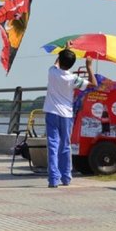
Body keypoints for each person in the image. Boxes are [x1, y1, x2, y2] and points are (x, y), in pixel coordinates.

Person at [43, 45, 96, 188]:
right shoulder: (73, 78)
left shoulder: (52, 72)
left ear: (59, 60)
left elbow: (56, 63)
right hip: (66, 115)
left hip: (52, 112)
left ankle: (53, 179)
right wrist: (89, 66)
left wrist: (65, 50)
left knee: (53, 145)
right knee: (65, 145)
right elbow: (93, 84)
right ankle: (66, 177)